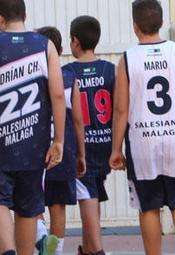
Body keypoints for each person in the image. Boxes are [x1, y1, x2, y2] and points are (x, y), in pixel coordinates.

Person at [109, 0, 175, 255]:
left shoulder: (128, 59)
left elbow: (120, 109)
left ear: (135, 26)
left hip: (143, 141)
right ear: (162, 22)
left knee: (149, 206)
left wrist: (116, 148)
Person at [0, 0, 66, 255]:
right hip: (34, 143)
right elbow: (58, 95)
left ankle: (7, 251)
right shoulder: (45, 45)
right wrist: (58, 140)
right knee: (28, 207)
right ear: (25, 16)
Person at [65, 16, 115, 255]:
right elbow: (121, 108)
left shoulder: (67, 72)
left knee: (87, 195)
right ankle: (87, 248)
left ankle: (97, 249)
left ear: (75, 41)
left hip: (81, 145)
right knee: (93, 193)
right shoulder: (110, 70)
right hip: (105, 142)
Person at [36, 27, 85, 255]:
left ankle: (41, 237)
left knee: (32, 202)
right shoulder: (69, 78)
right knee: (58, 206)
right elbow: (77, 120)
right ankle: (56, 250)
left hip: (36, 151)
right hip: (62, 150)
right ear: (62, 50)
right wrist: (81, 154)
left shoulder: (32, 77)